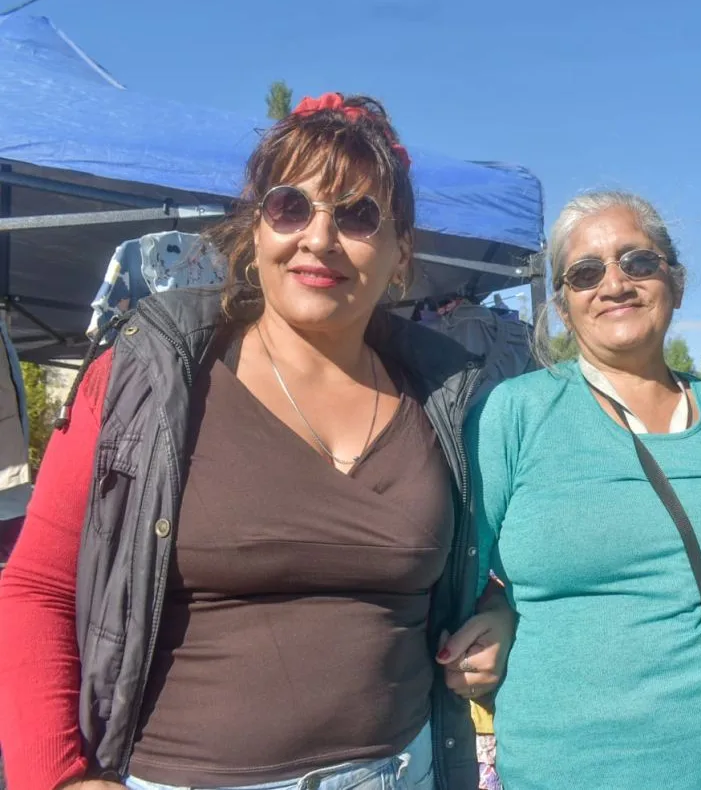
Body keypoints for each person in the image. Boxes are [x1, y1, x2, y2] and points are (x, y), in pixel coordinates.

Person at [0, 93, 511, 790]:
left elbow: (489, 568)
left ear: (399, 252)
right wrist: (56, 777)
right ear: (257, 228)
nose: (320, 239)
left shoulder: (446, 397)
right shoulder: (148, 374)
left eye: (359, 215)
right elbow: (36, 588)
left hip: (401, 772)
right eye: (291, 206)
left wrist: (498, 615)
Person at [467, 191, 701, 788]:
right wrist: (501, 610)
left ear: (673, 280)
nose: (614, 283)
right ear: (564, 306)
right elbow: (461, 574)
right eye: (586, 272)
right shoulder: (514, 415)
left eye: (637, 262)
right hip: (570, 772)